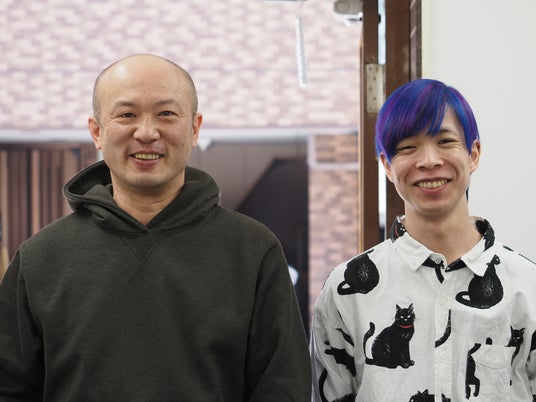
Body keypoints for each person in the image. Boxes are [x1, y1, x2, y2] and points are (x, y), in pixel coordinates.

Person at [0, 54, 311, 401]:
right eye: (126, 115)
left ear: (194, 129)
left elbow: (283, 388)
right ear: (97, 131)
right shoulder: (41, 258)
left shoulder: (252, 250)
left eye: (166, 114)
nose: (146, 132)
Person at [310, 78, 536, 401]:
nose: (429, 160)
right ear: (387, 165)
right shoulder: (345, 292)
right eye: (407, 147)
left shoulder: (527, 287)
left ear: (473, 154)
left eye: (445, 141)